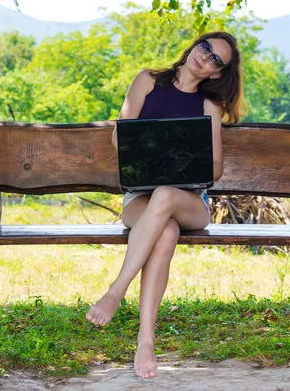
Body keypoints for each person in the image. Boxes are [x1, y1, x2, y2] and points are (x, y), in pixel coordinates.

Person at [86, 31, 247, 379]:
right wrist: (153, 147)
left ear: (217, 73)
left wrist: (189, 157)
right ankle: (146, 340)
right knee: (165, 230)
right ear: (194, 46)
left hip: (189, 200)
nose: (205, 57)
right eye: (205, 48)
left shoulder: (208, 107)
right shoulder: (147, 81)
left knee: (165, 196)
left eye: (215, 60)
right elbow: (119, 136)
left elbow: (215, 168)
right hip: (138, 197)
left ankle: (116, 291)